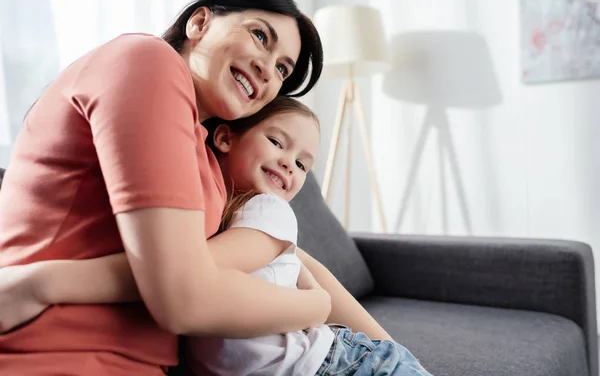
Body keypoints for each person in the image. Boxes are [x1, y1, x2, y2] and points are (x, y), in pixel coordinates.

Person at [0, 0, 329, 375]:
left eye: (281, 69)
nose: (266, 68)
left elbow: (276, 249)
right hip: (55, 354)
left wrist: (387, 347)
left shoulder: (207, 156)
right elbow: (183, 298)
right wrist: (317, 306)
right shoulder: (146, 61)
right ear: (200, 22)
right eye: (259, 36)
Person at [1, 97, 432, 376]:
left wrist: (47, 281)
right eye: (277, 142)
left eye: (303, 164)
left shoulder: (270, 212)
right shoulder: (215, 215)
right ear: (225, 137)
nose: (289, 165)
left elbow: (192, 271)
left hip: (338, 366)